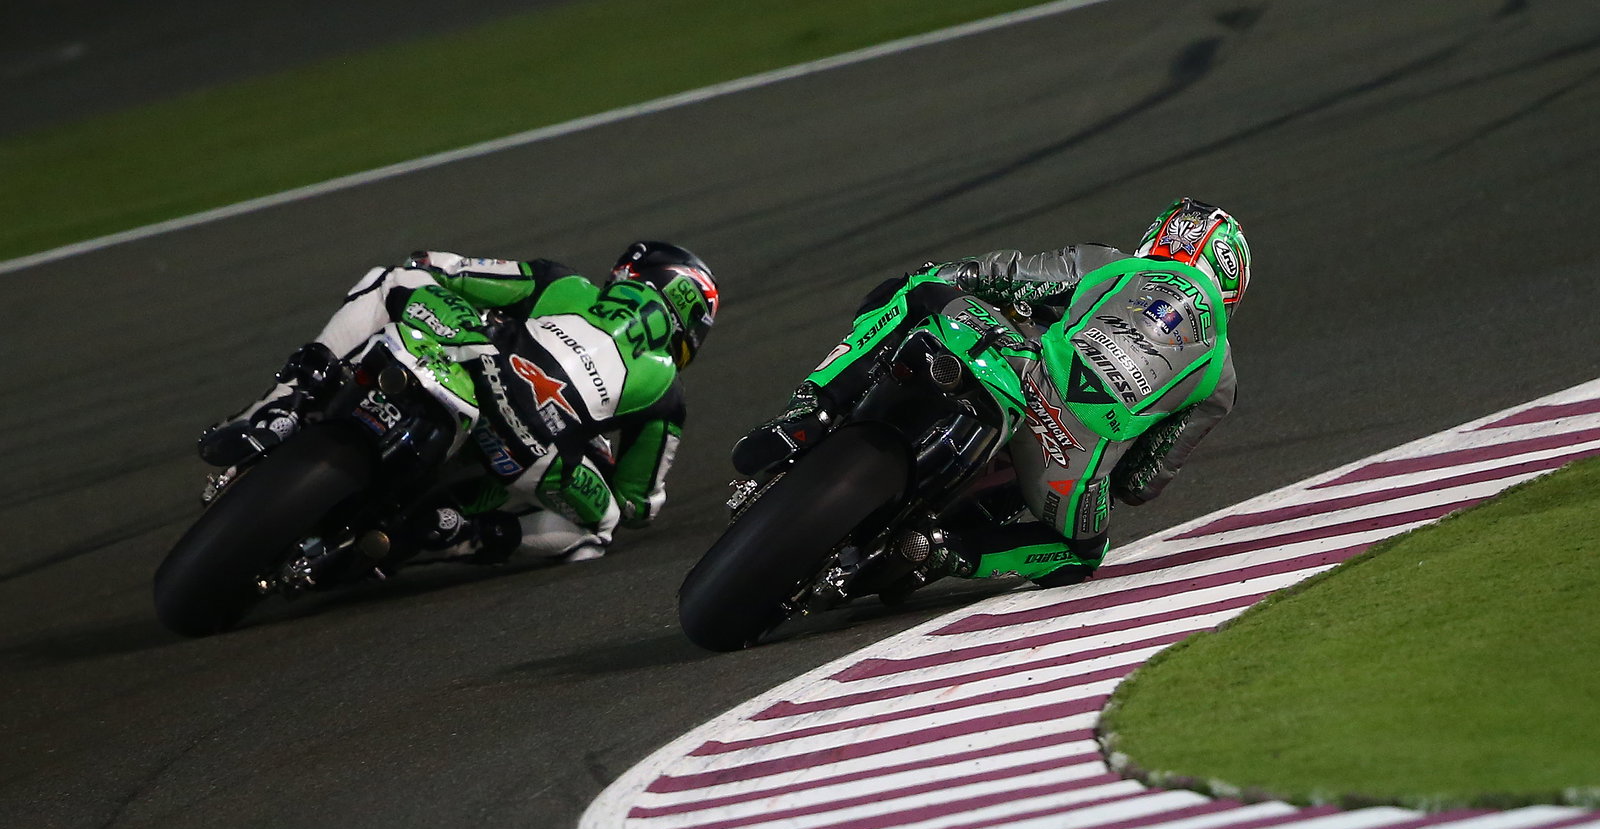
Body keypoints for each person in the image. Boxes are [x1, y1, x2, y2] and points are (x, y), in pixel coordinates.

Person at [732, 198, 1248, 588]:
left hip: (1023, 373)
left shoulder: (1113, 264)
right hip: (1067, 464)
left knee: (918, 294)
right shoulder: (1219, 378)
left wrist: (941, 277)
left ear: (1160, 239)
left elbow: (1006, 278)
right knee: (1083, 550)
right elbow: (1142, 482)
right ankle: (944, 552)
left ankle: (809, 413)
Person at [198, 241, 718, 565]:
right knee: (598, 528)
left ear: (630, 273)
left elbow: (443, 269)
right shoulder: (665, 390)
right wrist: (592, 452)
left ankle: (283, 403)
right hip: (527, 450)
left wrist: (473, 323)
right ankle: (460, 535)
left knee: (390, 281)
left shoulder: (564, 284)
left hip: (474, 364)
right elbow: (637, 507)